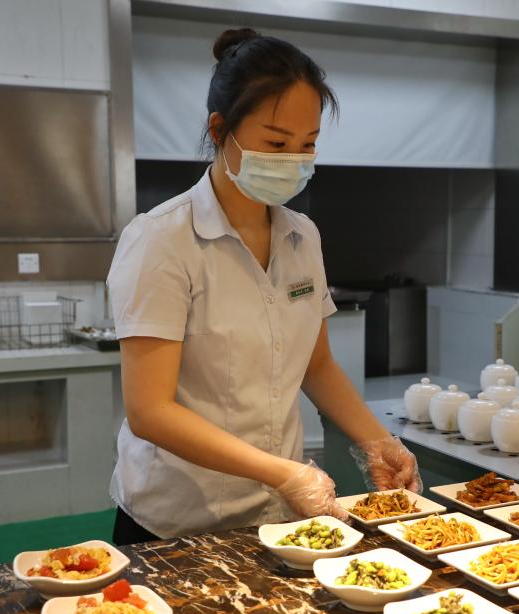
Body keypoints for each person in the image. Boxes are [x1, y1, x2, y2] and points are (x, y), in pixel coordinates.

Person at [107, 27, 422, 543]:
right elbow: (150, 412)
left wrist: (378, 440)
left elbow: (316, 365)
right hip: (177, 526)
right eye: (276, 143)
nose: (292, 160)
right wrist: (283, 473)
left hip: (277, 519)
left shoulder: (303, 236)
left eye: (307, 145)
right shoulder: (161, 240)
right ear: (219, 130)